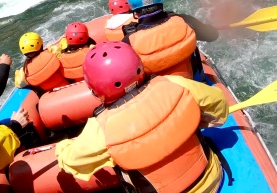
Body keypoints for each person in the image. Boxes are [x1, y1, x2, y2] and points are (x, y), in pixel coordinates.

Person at [55, 42, 229, 192]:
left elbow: (72, 162)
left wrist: (63, 146)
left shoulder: (101, 128)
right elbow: (219, 105)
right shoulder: (174, 83)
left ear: (94, 90)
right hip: (213, 177)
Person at [122, 0, 219, 79]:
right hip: (196, 87)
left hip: (163, 94)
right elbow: (213, 35)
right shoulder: (184, 21)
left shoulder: (129, 42)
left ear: (130, 3)